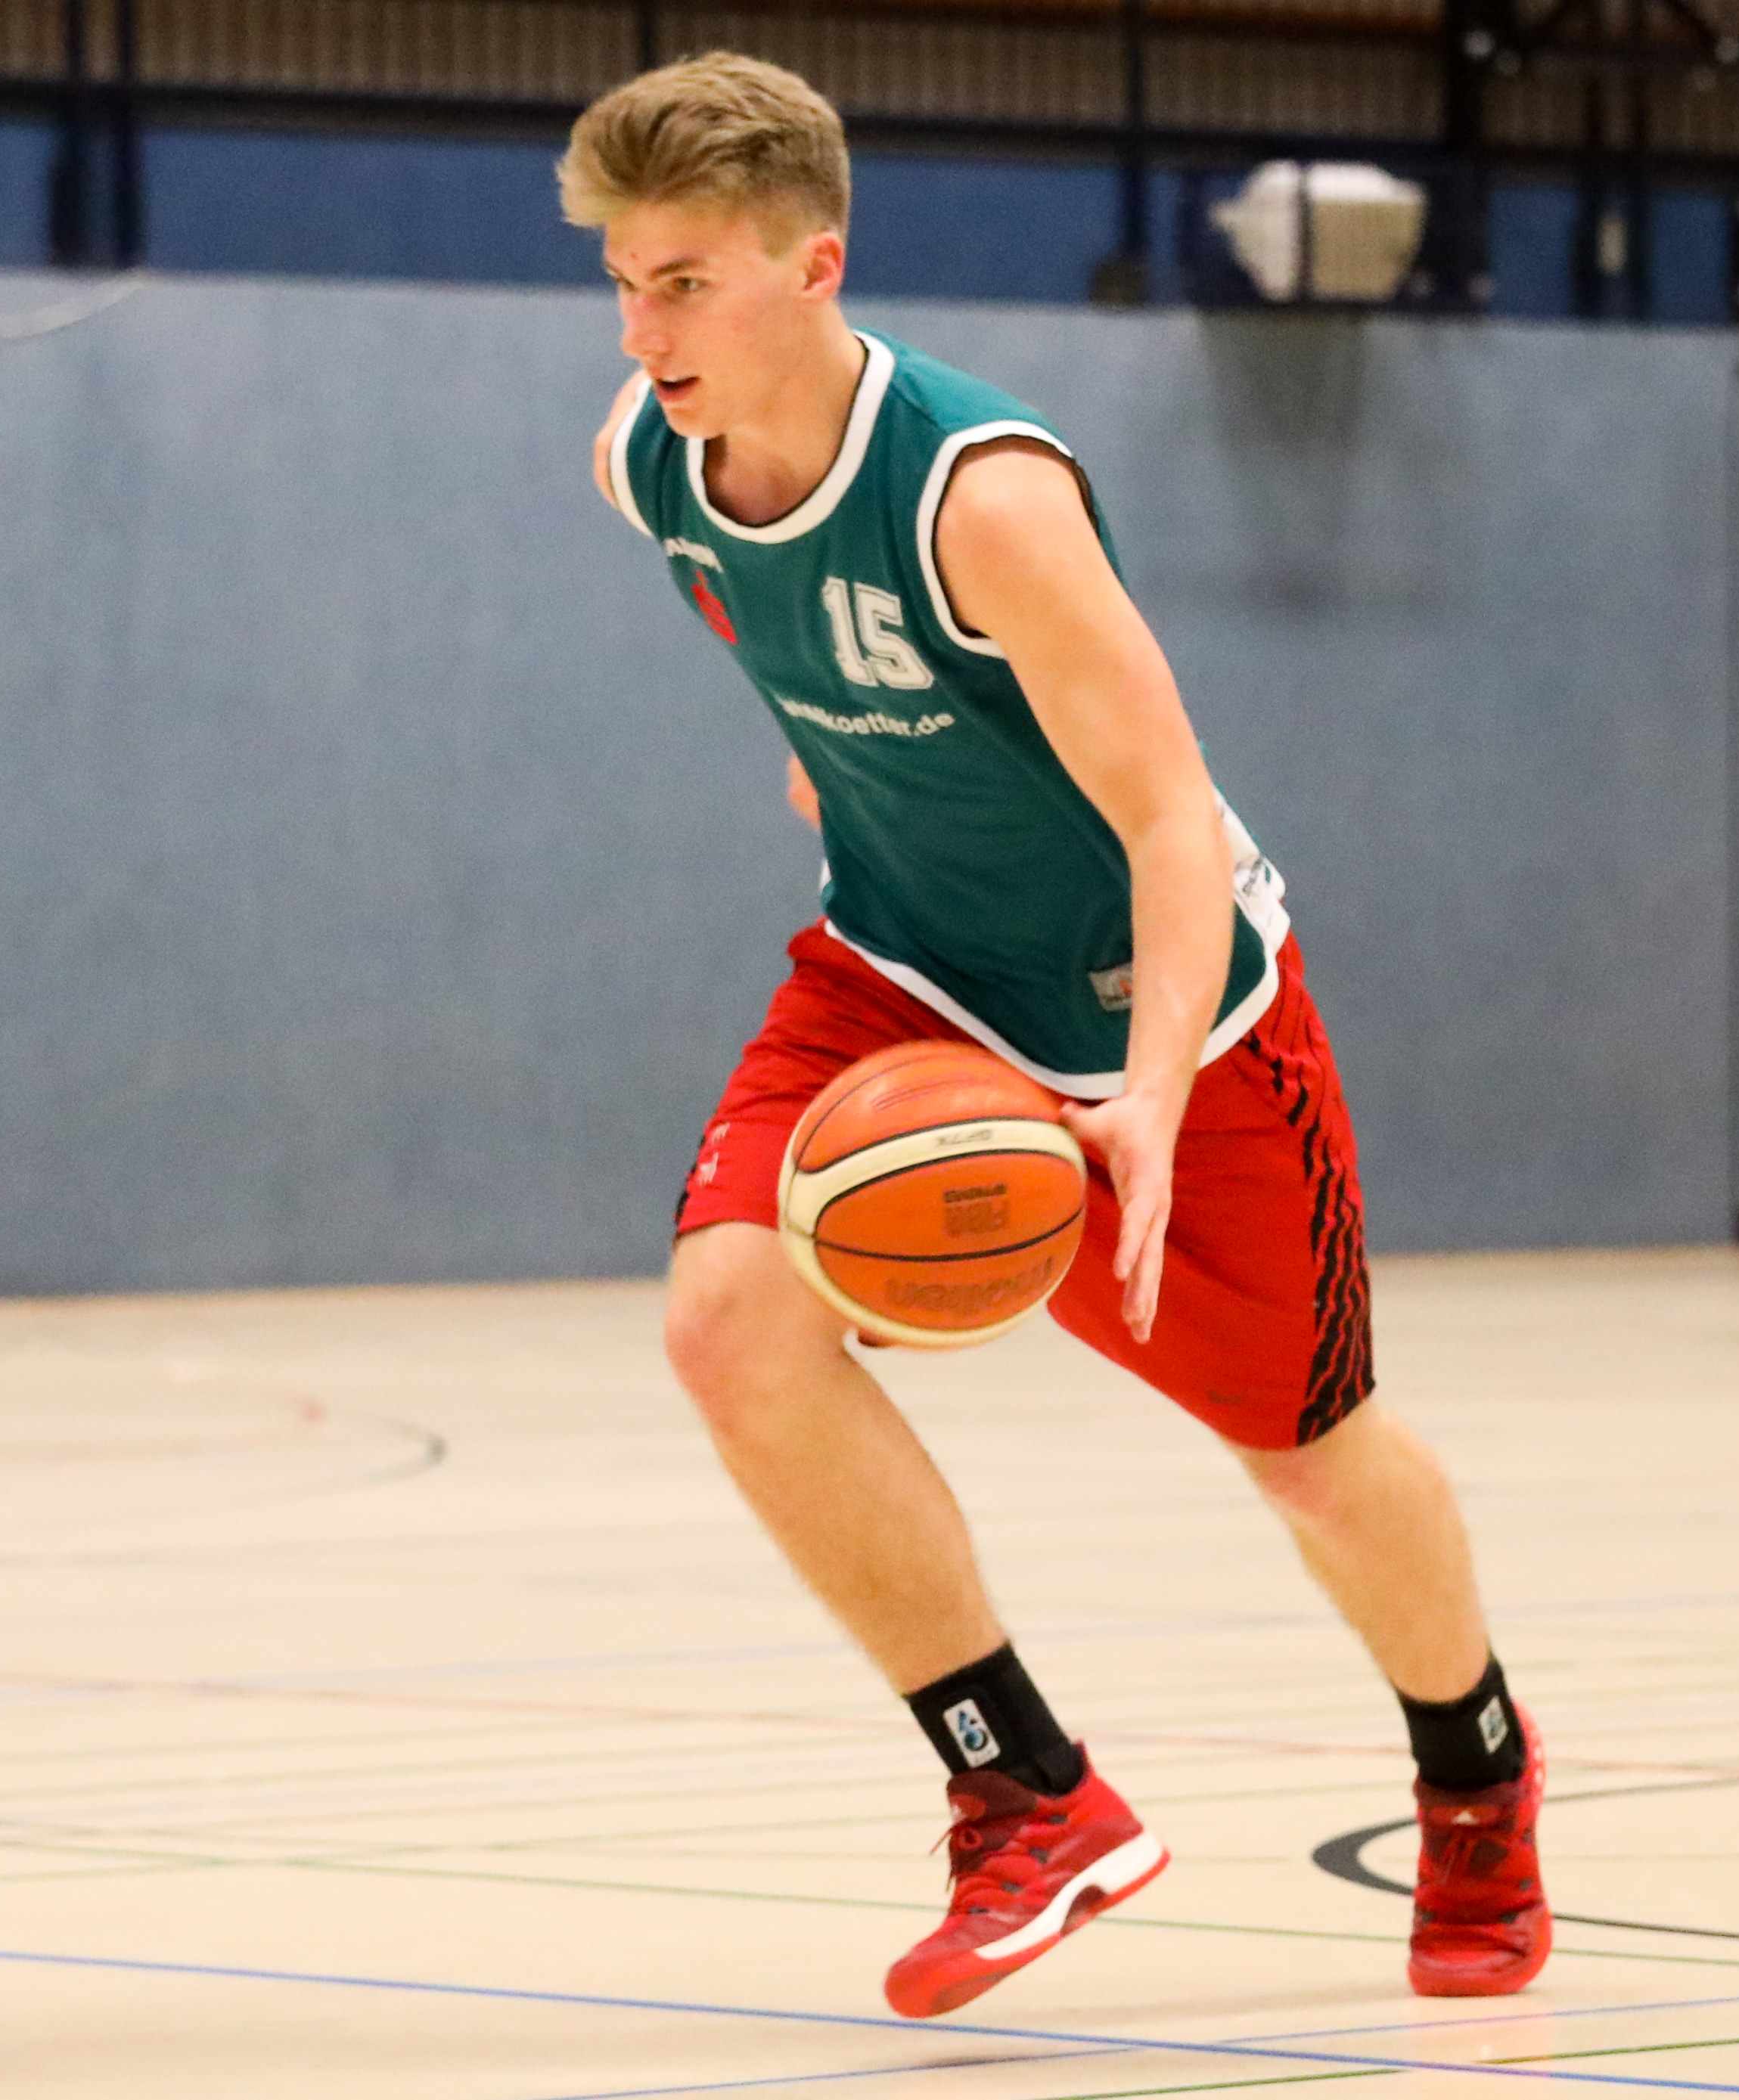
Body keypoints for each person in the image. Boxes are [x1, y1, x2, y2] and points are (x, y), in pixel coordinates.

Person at [562, 57, 1547, 2018]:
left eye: (681, 283)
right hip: (901, 975)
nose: (639, 329)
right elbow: (800, 654)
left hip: (1164, 1016)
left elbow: (1169, 812)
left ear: (810, 267)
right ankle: (1026, 1793)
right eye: (620, 280)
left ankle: (1474, 1769)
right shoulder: (646, 461)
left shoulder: (980, 497)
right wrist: (839, 765)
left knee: (1309, 1459)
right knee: (724, 1322)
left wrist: (1153, 1092)